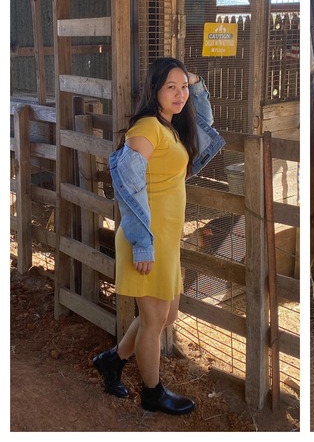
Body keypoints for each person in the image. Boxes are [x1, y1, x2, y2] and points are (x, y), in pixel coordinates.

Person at [93, 57, 225, 415]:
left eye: (183, 87)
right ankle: (152, 393)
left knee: (165, 317)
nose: (181, 94)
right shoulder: (147, 128)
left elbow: (206, 124)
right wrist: (143, 244)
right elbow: (129, 188)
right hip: (145, 239)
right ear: (154, 91)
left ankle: (113, 360)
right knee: (153, 321)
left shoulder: (173, 126)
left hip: (167, 240)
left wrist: (192, 79)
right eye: (172, 87)